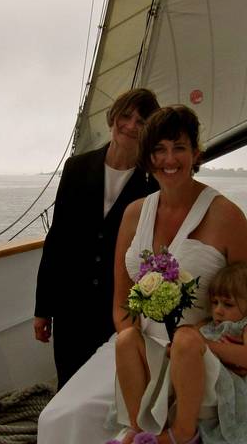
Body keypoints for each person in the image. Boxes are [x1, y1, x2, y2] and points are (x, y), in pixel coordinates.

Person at [37, 105, 247, 444]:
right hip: (148, 357)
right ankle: (141, 426)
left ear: (196, 153)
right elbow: (122, 305)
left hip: (201, 359)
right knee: (120, 343)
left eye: (179, 147)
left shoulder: (227, 217)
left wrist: (227, 352)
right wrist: (143, 357)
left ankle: (181, 433)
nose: (169, 159)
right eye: (159, 150)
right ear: (148, 158)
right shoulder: (135, 214)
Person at [33, 88, 160, 389]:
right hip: (70, 304)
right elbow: (57, 240)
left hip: (119, 308)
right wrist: (43, 307)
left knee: (111, 387)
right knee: (69, 382)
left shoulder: (154, 182)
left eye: (141, 121)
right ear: (113, 118)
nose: (130, 126)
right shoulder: (77, 167)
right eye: (125, 116)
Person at [193, 262, 247, 443]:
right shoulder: (209, 324)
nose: (218, 310)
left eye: (228, 304)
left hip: (236, 382)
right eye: (215, 302)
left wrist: (209, 346)